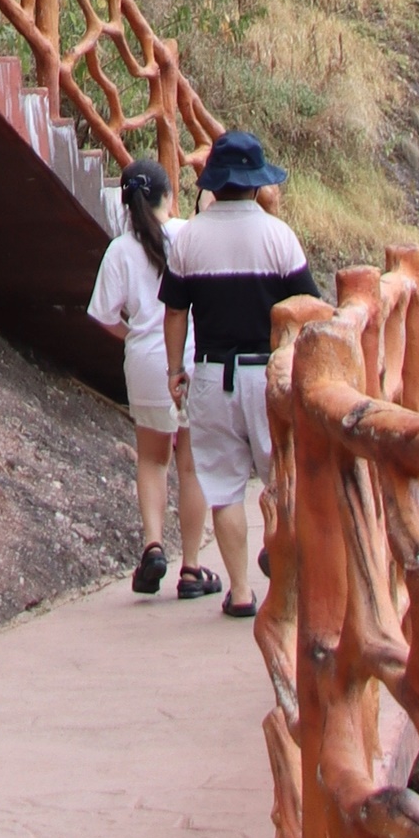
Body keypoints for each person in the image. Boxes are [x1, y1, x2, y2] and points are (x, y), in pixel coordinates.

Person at [165, 130, 311, 617]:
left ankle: (242, 592)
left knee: (224, 488)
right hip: (270, 375)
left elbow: (175, 312)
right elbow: (307, 306)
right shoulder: (278, 236)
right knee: (283, 480)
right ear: (254, 183)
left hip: (212, 375)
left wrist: (174, 369)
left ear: (216, 181)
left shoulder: (190, 237)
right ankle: (285, 574)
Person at [85, 158, 214, 598]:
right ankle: (192, 569)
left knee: (153, 460)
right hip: (191, 358)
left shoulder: (120, 250)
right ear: (168, 197)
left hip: (144, 363)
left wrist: (134, 335)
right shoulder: (188, 236)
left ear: (125, 203)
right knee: (191, 466)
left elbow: (103, 315)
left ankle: (153, 546)